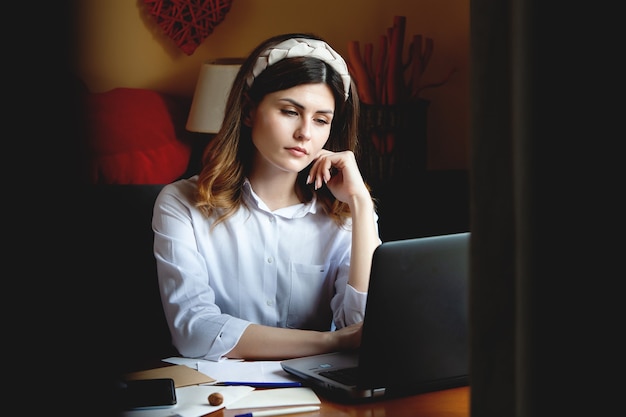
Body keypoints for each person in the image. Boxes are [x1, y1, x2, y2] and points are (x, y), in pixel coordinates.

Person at [152, 33, 382, 362]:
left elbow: (360, 326)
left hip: (320, 399)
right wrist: (330, 342)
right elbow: (194, 330)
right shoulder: (180, 203)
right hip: (219, 399)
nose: (305, 132)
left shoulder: (347, 214)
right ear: (249, 111)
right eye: (290, 111)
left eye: (321, 120)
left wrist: (360, 203)